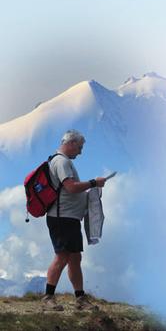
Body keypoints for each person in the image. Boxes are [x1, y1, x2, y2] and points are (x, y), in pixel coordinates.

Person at [42, 130, 107, 312]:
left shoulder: (60, 161)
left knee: (75, 258)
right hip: (62, 218)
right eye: (79, 147)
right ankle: (48, 297)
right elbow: (70, 188)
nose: (80, 152)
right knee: (62, 256)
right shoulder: (62, 162)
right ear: (71, 143)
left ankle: (80, 298)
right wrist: (94, 183)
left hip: (68, 218)